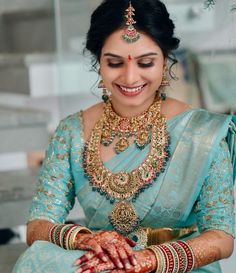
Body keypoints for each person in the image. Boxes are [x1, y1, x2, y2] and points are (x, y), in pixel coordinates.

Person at [12, 0, 235, 272]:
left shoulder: (203, 133)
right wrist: (87, 239)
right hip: (100, 263)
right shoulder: (71, 132)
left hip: (174, 265)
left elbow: (222, 238)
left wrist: (150, 260)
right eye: (115, 63)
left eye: (146, 62)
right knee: (34, 260)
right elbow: (38, 227)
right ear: (99, 63)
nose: (130, 78)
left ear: (165, 60)